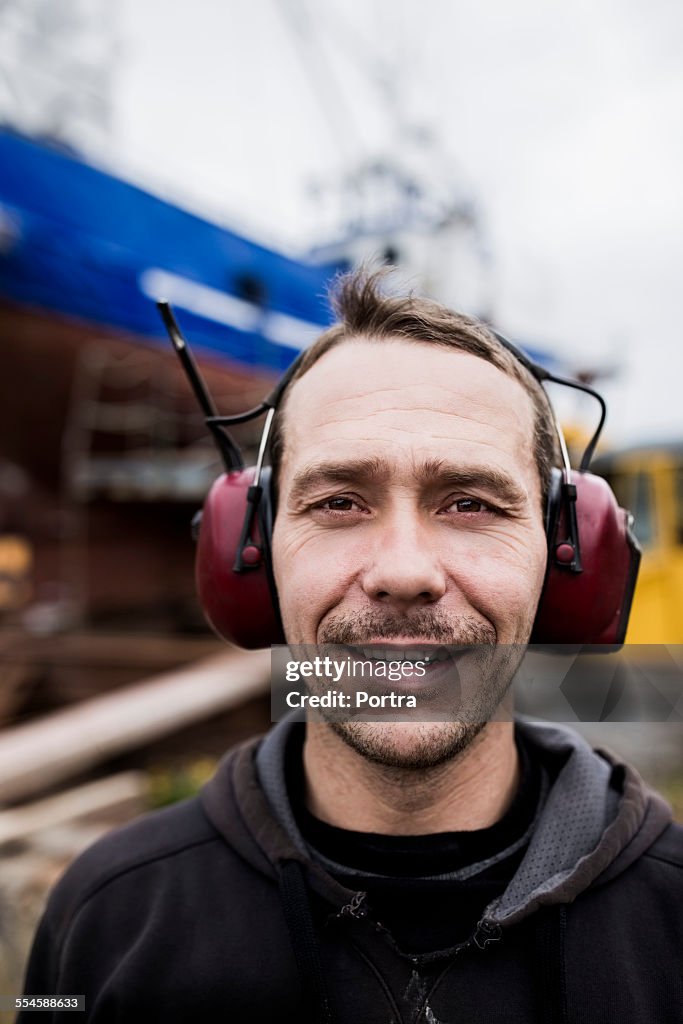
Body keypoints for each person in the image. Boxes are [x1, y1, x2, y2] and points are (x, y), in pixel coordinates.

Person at [19, 269, 683, 1022]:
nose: (403, 572)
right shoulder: (104, 915)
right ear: (253, 549)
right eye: (338, 501)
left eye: (470, 502)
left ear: (569, 555)